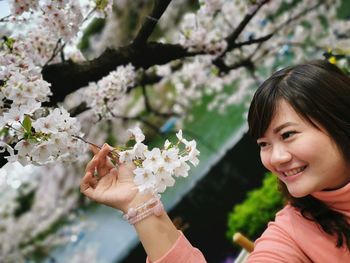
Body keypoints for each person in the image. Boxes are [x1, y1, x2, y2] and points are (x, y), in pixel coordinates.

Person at [81, 59, 350, 262]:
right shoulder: (293, 234)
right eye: (264, 144)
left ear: (339, 119)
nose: (276, 157)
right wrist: (138, 203)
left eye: (288, 134)